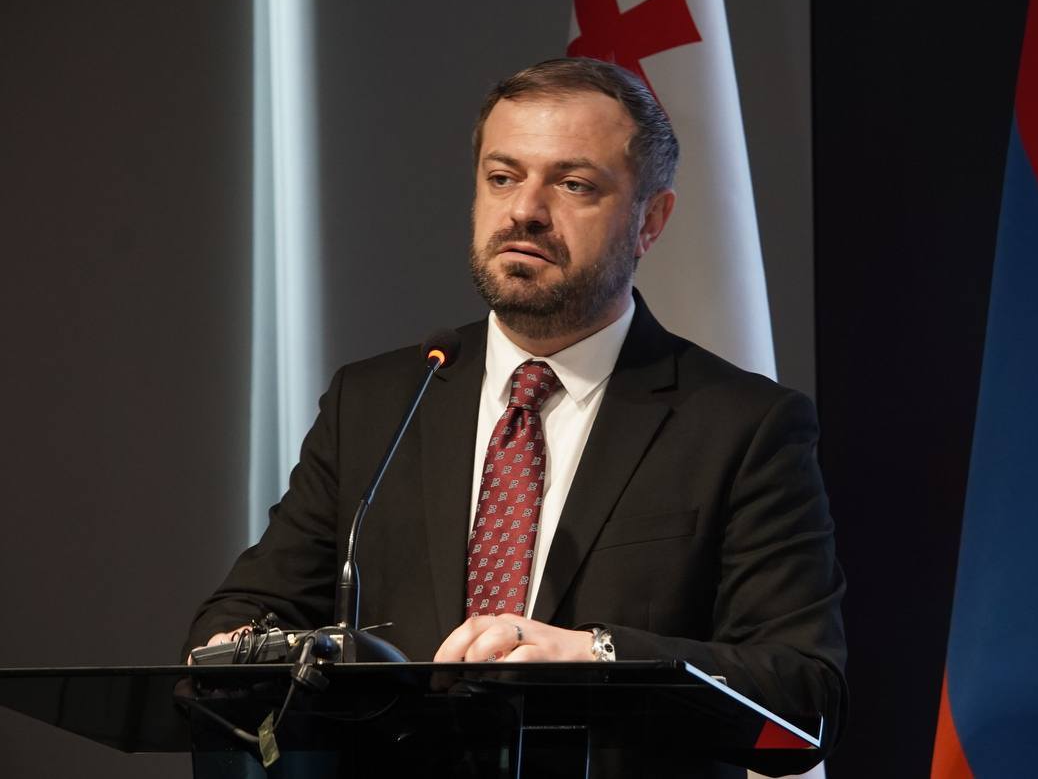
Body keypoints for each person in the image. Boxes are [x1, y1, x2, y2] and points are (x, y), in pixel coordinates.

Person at [185, 57, 846, 773]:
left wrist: (596, 655)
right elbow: (242, 616)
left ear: (651, 220)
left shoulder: (742, 426)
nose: (525, 209)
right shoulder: (378, 402)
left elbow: (803, 692)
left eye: (573, 184)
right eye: (502, 177)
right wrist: (256, 653)